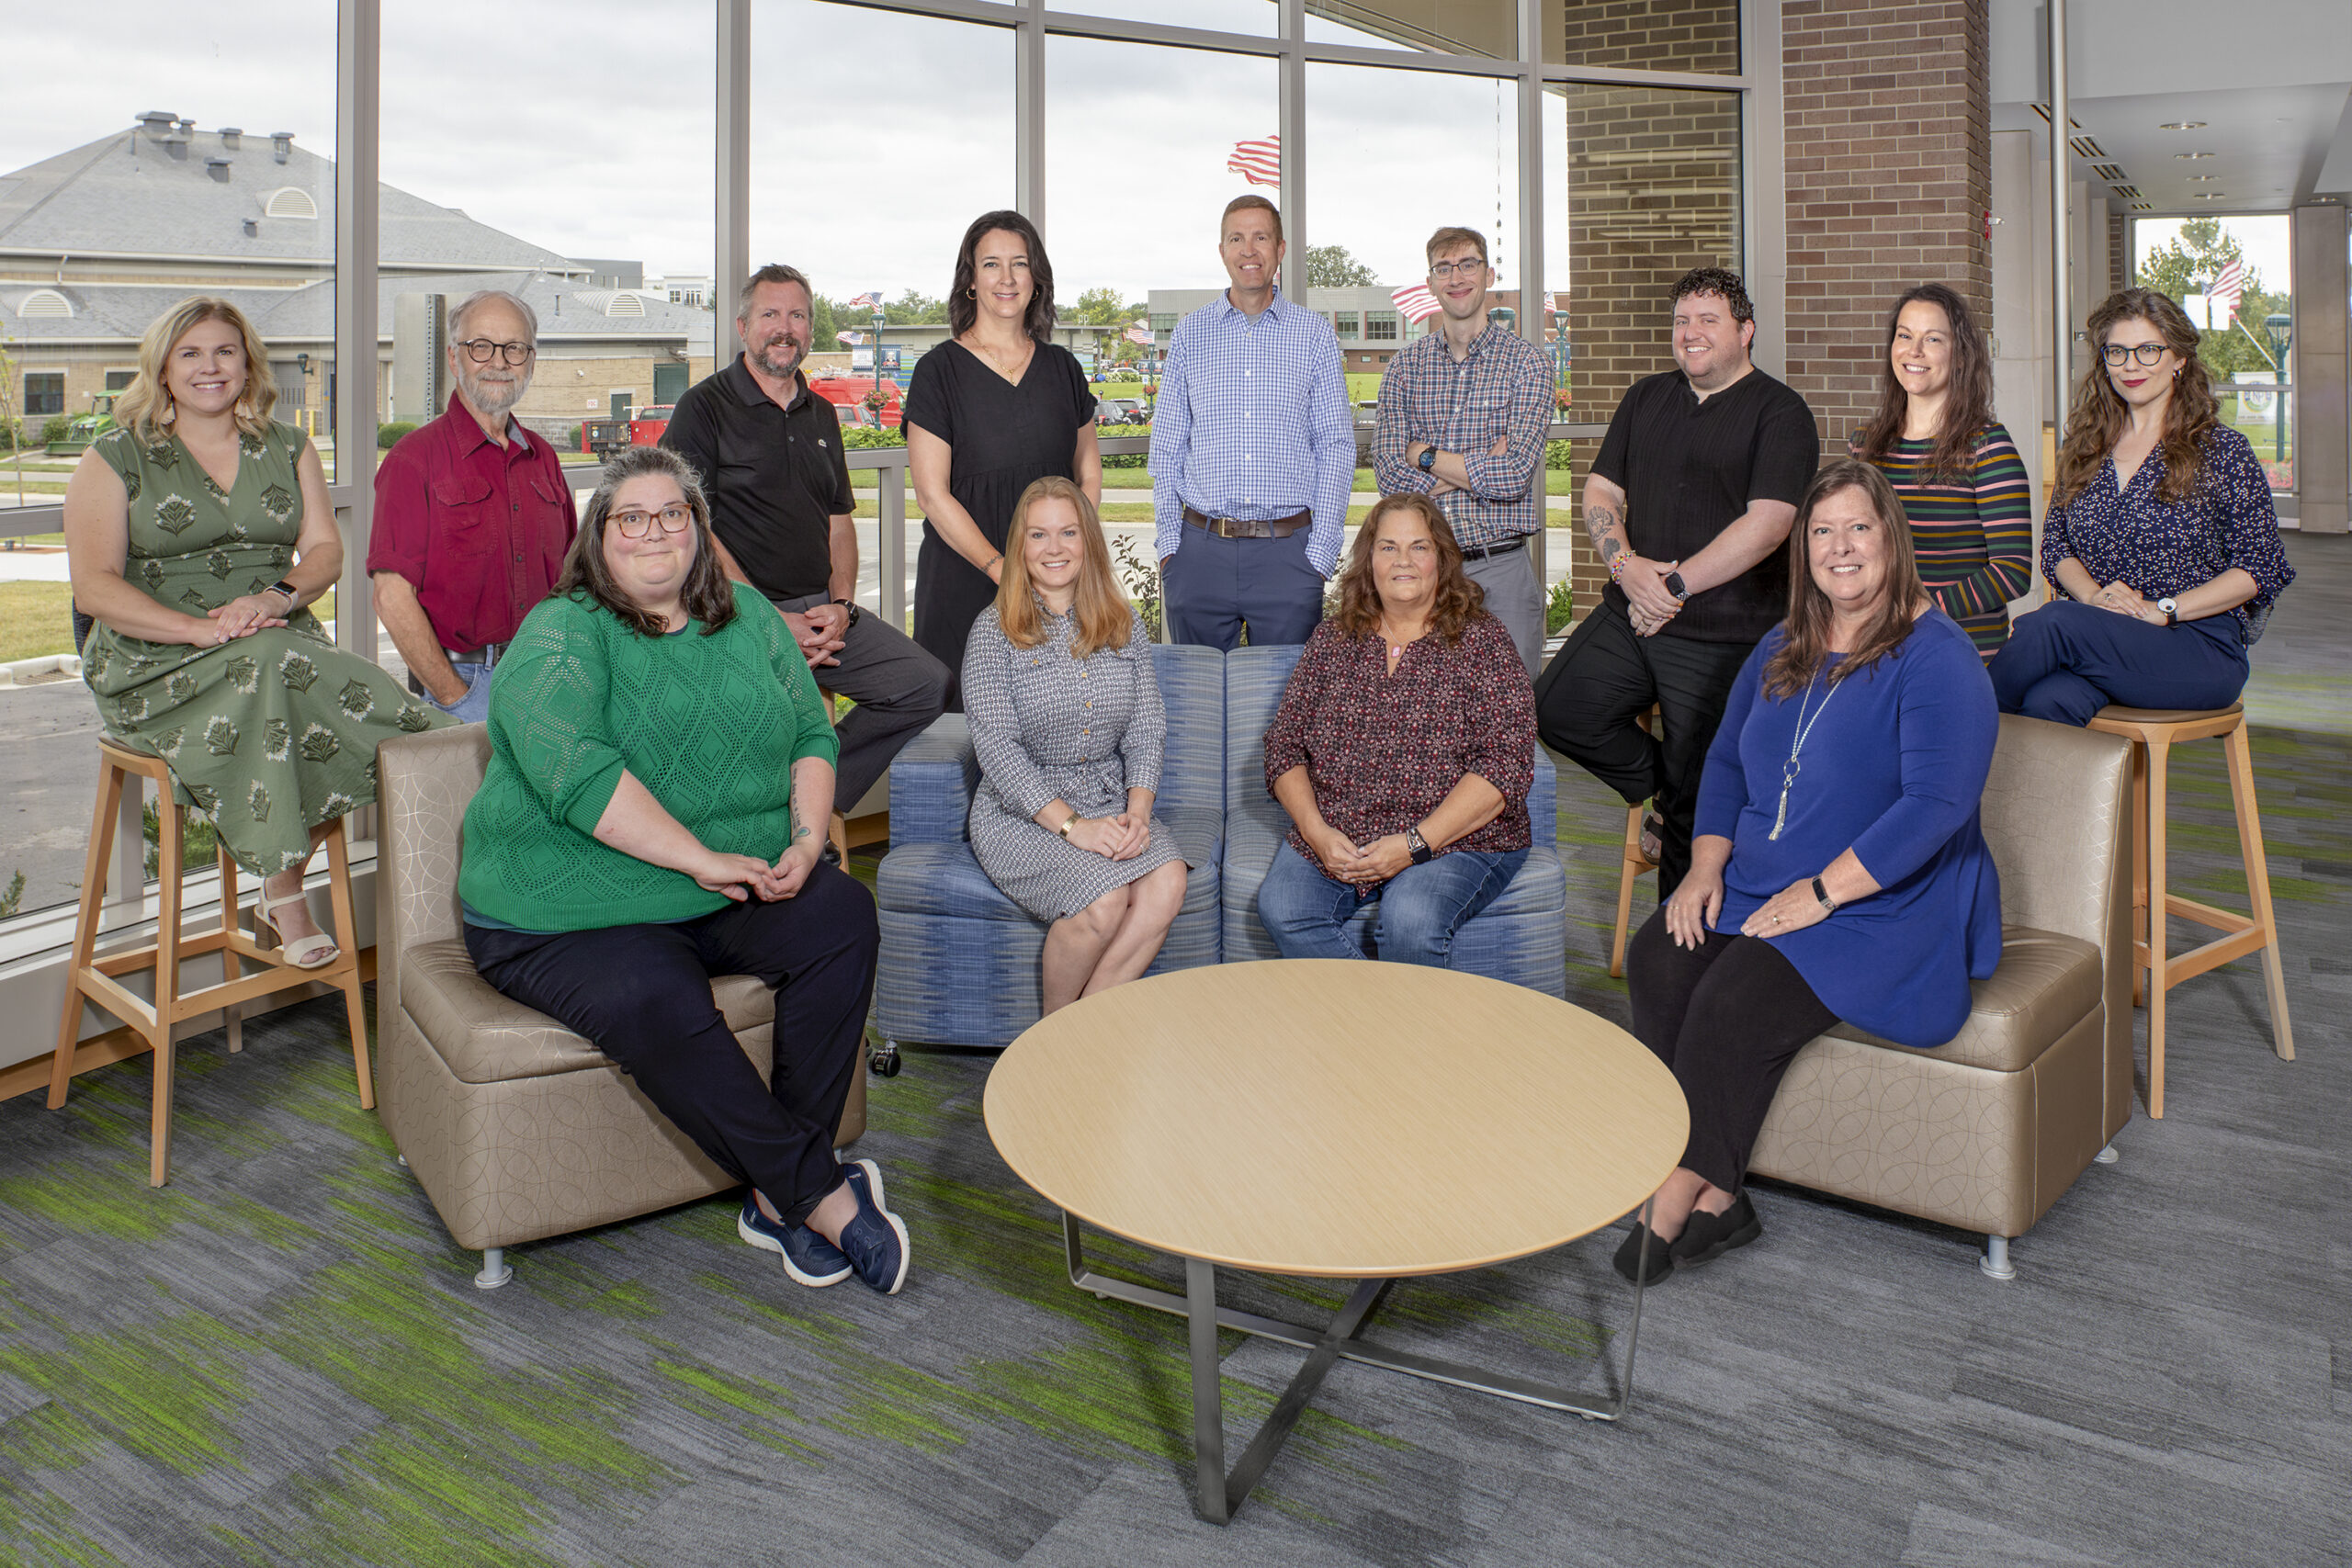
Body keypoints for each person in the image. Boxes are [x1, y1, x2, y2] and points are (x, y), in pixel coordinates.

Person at [457, 445, 908, 1296]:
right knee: (653, 991)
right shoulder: (562, 630)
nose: (656, 530)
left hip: (710, 884)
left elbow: (813, 737)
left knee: (840, 915)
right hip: (561, 902)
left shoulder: (745, 614)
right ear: (601, 537)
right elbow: (580, 775)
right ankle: (815, 1192)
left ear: (699, 531)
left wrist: (807, 844)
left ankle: (777, 1197)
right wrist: (703, 860)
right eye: (633, 516)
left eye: (675, 514)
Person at [1618, 459, 2000, 1282]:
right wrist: (1702, 868)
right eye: (1822, 532)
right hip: (1763, 878)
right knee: (1659, 956)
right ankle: (1722, 1193)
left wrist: (1821, 891)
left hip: (1885, 901)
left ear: (1890, 539)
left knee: (1731, 998)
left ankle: (1674, 1184)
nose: (1840, 547)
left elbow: (1936, 806)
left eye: (1858, 527)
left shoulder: (1938, 658)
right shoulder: (1780, 645)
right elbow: (1724, 763)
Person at [64, 297, 450, 968]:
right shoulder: (115, 456)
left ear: (247, 366)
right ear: (162, 369)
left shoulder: (289, 446)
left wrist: (274, 596)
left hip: (277, 638)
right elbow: (95, 588)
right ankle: (292, 885)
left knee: (285, 665)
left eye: (224, 352)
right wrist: (197, 630)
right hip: (151, 657)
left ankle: (289, 884)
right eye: (190, 353)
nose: (209, 367)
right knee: (287, 668)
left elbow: (326, 552)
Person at [1533, 266, 1820, 897]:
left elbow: (1770, 523)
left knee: (1699, 805)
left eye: (1707, 320)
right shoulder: (1645, 397)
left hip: (1722, 632)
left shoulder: (1781, 412)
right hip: (1631, 611)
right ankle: (1663, 789)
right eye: (1681, 321)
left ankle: (1677, 950)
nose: (1690, 333)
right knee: (1556, 709)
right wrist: (1625, 566)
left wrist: (1673, 588)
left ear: (1746, 331)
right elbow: (1603, 489)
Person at [662, 264, 948, 813]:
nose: (784, 327)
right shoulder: (703, 408)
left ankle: (808, 799)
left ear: (810, 332)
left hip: (822, 616)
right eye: (770, 314)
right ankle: (784, 808)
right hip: (737, 618)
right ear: (743, 326)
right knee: (754, 732)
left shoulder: (820, 412)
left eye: (797, 315)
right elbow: (693, 526)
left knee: (925, 685)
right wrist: (766, 618)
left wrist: (841, 605)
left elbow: (839, 520)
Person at [1987, 288, 2295, 726]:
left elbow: (2259, 568)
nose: (2131, 365)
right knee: (2046, 701)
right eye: (2118, 351)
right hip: (2103, 635)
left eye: (2148, 350)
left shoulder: (2223, 451)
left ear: (2179, 359)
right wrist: (2094, 597)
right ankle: (1998, 792)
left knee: (2053, 622)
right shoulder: (2085, 448)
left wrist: (2163, 609)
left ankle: (1950, 740)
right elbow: (2057, 549)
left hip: (2197, 647)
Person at [1257, 493, 1534, 966]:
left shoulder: (1483, 640)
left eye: (1418, 547)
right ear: (1369, 562)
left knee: (1410, 918)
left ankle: (1392, 1038)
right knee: (1283, 908)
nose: (1403, 561)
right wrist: (1318, 833)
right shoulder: (1333, 638)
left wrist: (1414, 844)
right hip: (1342, 829)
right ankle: (1380, 1036)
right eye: (1388, 547)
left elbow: (1505, 765)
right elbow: (1284, 747)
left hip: (1457, 840)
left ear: (1442, 560)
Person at [963, 478, 1189, 1015]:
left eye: (1067, 533)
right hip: (1020, 812)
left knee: (1167, 882)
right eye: (1038, 535)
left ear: (1088, 540)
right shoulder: (992, 631)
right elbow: (998, 752)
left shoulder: (1122, 621)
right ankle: (1053, 1038)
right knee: (1104, 900)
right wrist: (1074, 828)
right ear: (1021, 546)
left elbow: (1146, 723)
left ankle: (1086, 1033)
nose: (1054, 548)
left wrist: (1138, 812)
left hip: (1107, 797)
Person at [908, 210, 1103, 708]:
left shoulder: (1062, 367)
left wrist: (1063, 557)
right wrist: (1003, 570)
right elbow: (933, 494)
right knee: (959, 742)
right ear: (971, 280)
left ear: (1036, 278)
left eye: (1020, 263)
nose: (1007, 278)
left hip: (1054, 581)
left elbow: (1088, 472)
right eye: (991, 264)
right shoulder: (937, 371)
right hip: (966, 581)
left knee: (1054, 727)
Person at [1149, 196, 1353, 650]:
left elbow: (1336, 447)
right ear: (1221, 250)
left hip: (1289, 555)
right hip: (1200, 553)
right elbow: (1166, 448)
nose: (1248, 250)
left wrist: (1319, 554)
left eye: (1260, 237)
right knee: (1198, 707)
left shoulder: (1313, 335)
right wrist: (1170, 549)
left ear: (1280, 249)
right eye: (1236, 238)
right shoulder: (1190, 334)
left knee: (1283, 711)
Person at [368, 289, 578, 722]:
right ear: (453, 358)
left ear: (531, 361)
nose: (499, 362)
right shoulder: (413, 460)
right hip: (464, 684)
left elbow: (572, 577)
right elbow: (392, 596)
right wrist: (455, 697)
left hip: (550, 674)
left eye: (514, 348)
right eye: (480, 346)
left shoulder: (544, 458)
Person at [1371, 225, 1557, 673]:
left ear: (1489, 275)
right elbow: (1390, 477)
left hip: (1501, 571)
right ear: (1431, 281)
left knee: (1509, 718)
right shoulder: (1404, 368)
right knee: (1422, 716)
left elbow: (1513, 476)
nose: (1457, 277)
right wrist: (1480, 467)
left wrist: (1424, 454)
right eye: (1444, 268)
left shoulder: (1528, 363)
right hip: (1422, 575)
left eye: (1468, 264)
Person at [1849, 284, 2031, 660]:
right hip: (1876, 647)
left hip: (1959, 652)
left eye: (1932, 339)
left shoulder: (1987, 447)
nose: (1914, 351)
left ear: (1959, 355)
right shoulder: (1865, 446)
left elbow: (2013, 571)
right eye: (1904, 336)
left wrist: (1914, 610)